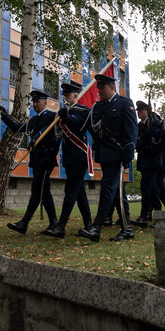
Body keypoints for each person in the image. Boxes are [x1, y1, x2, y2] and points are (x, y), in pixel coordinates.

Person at [77, 73, 138, 242]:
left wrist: (128, 152)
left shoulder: (125, 103)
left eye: (102, 88)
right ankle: (127, 229)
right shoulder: (98, 107)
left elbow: (132, 131)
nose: (99, 91)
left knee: (107, 188)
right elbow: (94, 130)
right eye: (98, 88)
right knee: (118, 191)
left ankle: (96, 227)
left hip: (118, 153)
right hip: (105, 154)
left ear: (112, 87)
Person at [0, 90, 59, 234]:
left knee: (37, 191)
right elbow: (17, 128)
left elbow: (53, 137)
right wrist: (4, 115)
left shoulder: (52, 117)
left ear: (45, 102)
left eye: (38, 101)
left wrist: (39, 140)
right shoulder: (33, 120)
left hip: (46, 161)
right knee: (44, 192)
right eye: (34, 102)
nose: (35, 104)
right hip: (36, 161)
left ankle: (24, 223)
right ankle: (54, 223)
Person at [43, 82, 93, 238]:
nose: (66, 98)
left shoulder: (83, 110)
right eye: (64, 95)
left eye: (68, 95)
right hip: (69, 157)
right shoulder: (64, 111)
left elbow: (78, 124)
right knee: (80, 193)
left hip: (79, 155)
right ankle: (89, 226)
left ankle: (61, 226)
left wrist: (66, 117)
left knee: (70, 191)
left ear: (76, 96)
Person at [134, 100, 165, 226]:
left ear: (147, 111)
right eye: (138, 111)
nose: (139, 113)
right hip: (144, 160)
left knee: (146, 187)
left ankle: (145, 215)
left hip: (152, 160)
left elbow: (162, 141)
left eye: (141, 111)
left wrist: (153, 150)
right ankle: (153, 214)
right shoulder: (140, 125)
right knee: (151, 189)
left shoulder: (155, 122)